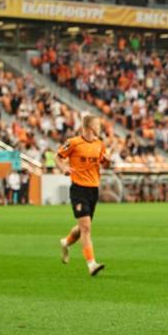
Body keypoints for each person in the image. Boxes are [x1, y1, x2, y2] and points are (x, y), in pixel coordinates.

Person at [56, 115, 108, 276]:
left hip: (93, 190)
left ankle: (66, 242)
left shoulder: (100, 144)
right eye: (98, 124)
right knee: (86, 228)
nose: (100, 127)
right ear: (91, 126)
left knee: (82, 227)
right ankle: (91, 264)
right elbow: (58, 157)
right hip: (79, 189)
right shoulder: (73, 142)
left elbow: (104, 163)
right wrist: (63, 168)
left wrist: (108, 161)